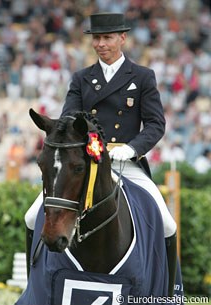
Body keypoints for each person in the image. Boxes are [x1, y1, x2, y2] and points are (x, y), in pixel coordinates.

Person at [25, 12, 177, 295]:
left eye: (107, 38)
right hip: (84, 164)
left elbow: (156, 123)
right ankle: (34, 289)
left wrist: (131, 148)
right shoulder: (82, 78)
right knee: (32, 217)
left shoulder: (142, 77)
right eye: (97, 38)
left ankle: (167, 294)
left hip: (125, 162)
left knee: (167, 223)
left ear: (122, 38)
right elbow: (69, 119)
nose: (101, 44)